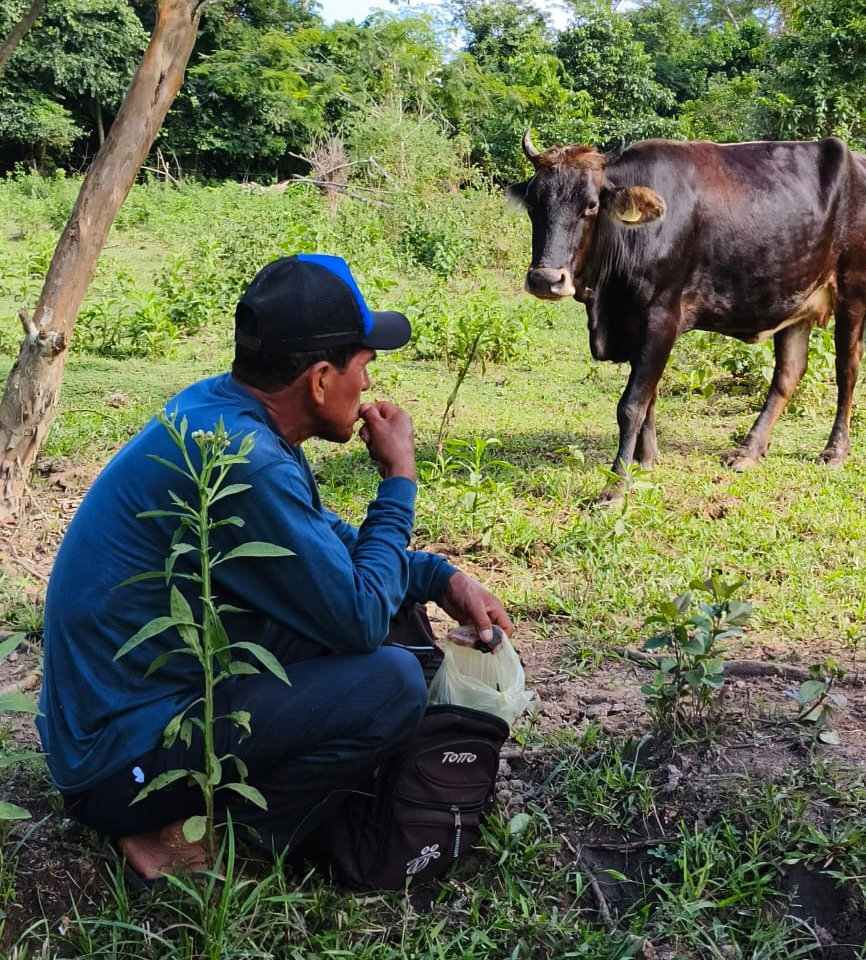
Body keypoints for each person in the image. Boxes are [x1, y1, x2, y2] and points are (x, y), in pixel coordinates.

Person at [37, 254, 513, 880]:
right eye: (363, 366)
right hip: (118, 762)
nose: (368, 386)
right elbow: (360, 617)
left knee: (389, 608)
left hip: (122, 714)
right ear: (319, 380)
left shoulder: (223, 411)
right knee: (391, 680)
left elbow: (327, 548)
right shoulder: (250, 461)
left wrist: (439, 577)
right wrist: (400, 477)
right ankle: (196, 839)